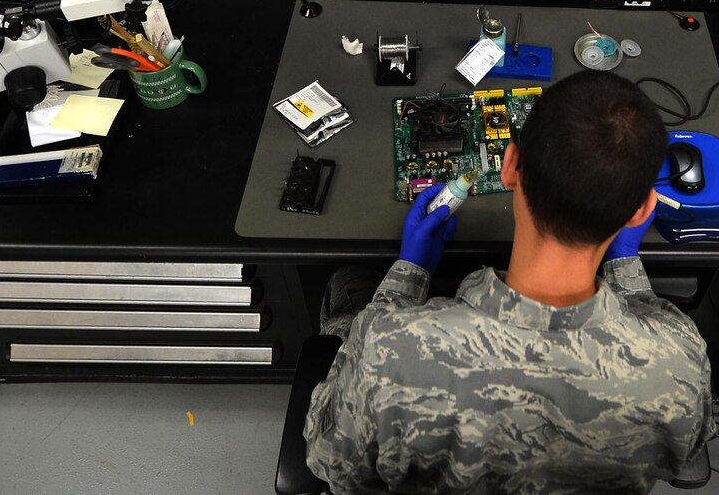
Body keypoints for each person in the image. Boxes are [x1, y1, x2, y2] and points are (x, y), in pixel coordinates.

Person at [304, 70, 714, 494]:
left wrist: (409, 273)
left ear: (511, 165)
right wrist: (625, 263)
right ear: (642, 209)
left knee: (348, 283)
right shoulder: (680, 361)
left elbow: (330, 462)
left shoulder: (388, 349)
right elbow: (682, 450)